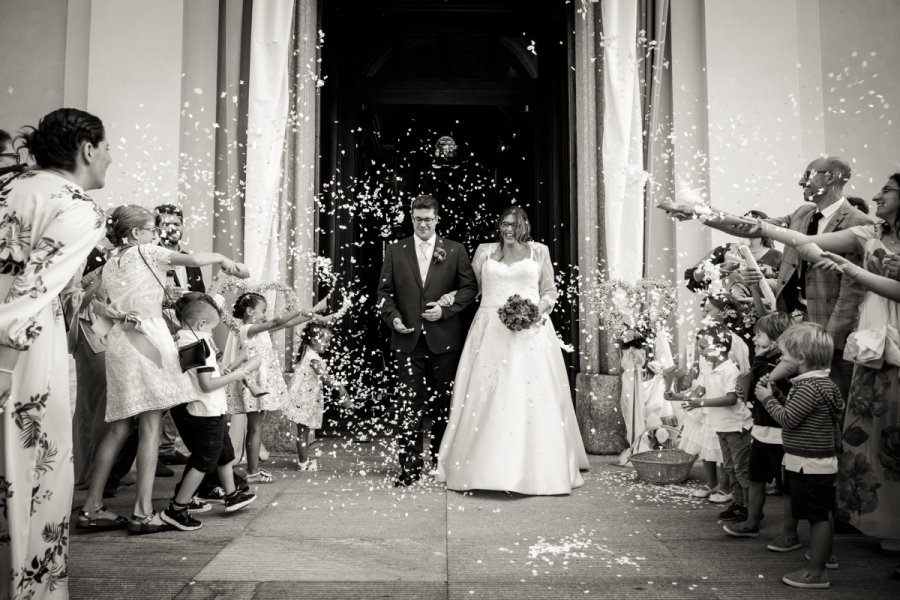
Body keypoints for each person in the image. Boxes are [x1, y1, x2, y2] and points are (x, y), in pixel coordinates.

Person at [77, 205, 248, 535]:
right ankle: (142, 513)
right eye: (152, 229)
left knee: (119, 428)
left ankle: (91, 508)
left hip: (120, 342)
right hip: (148, 341)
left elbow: (86, 298)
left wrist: (115, 309)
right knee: (151, 427)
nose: (158, 235)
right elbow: (195, 260)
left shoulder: (110, 262)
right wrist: (223, 259)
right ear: (136, 234)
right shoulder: (147, 251)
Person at [0, 108, 109, 598]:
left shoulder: (8, 187)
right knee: (37, 467)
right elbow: (32, 290)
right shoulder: (79, 205)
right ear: (87, 150)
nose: (109, 158)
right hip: (23, 346)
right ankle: (34, 590)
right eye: (106, 148)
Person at [672, 156, 876, 400]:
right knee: (794, 404)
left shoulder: (859, 223)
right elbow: (753, 226)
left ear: (830, 177)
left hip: (828, 335)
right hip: (790, 328)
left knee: (832, 405)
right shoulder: (803, 213)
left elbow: (851, 295)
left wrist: (826, 345)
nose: (801, 181)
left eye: (808, 175)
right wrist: (702, 213)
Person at [782, 172, 900, 575]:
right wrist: (714, 217)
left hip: (885, 337)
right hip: (874, 347)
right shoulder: (870, 232)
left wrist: (850, 272)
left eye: (887, 189)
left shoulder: (856, 222)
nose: (877, 194)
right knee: (869, 439)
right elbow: (802, 243)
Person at [435, 206, 589, 495]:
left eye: (513, 224)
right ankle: (483, 464)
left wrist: (535, 310)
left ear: (523, 227)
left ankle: (535, 466)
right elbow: (472, 289)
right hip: (490, 331)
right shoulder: (484, 252)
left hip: (530, 333)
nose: (507, 229)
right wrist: (449, 297)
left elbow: (550, 291)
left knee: (530, 393)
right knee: (488, 392)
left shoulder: (539, 252)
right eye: (504, 223)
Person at [377, 194, 478, 487]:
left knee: (442, 404)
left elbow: (469, 289)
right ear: (411, 218)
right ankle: (408, 468)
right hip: (406, 340)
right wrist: (392, 317)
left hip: (443, 340)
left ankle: (439, 464)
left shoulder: (455, 250)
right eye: (418, 218)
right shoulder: (395, 250)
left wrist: (445, 310)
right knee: (409, 406)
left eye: (428, 219)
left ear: (437, 219)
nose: (423, 224)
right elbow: (383, 294)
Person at [755, 322, 844, 589]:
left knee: (816, 516)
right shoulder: (824, 384)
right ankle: (825, 555)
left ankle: (815, 573)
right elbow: (803, 414)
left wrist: (767, 399)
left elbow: (789, 420)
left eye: (784, 355)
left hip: (808, 463)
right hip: (821, 462)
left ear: (802, 358)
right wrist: (779, 394)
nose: (781, 359)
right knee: (823, 511)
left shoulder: (807, 388)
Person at [162, 293, 259, 531]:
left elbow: (200, 377)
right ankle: (177, 508)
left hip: (205, 410)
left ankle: (232, 494)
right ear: (202, 325)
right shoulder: (199, 343)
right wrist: (236, 375)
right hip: (204, 411)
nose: (213, 334)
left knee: (222, 452)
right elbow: (205, 385)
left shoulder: (183, 340)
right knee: (204, 461)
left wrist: (221, 371)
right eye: (213, 328)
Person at [724, 312, 797, 544]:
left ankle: (790, 532)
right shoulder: (764, 360)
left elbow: (769, 387)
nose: (754, 339)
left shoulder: (785, 365)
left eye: (759, 335)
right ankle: (752, 522)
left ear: (777, 339)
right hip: (761, 433)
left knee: (786, 488)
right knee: (756, 479)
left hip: (780, 436)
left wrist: (759, 364)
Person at [224, 292, 312, 483]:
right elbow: (275, 322)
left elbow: (284, 324)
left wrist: (307, 315)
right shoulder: (247, 328)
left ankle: (253, 468)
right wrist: (299, 309)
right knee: (255, 427)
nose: (265, 314)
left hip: (262, 380)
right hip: (255, 381)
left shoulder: (258, 329)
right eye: (262, 310)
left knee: (257, 426)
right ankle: (252, 471)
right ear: (249, 311)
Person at [155, 204, 201, 468]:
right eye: (166, 224)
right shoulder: (154, 258)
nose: (173, 229)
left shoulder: (190, 260)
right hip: (160, 330)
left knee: (183, 389)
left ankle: (167, 446)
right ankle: (149, 451)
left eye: (177, 224)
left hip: (185, 331)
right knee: (160, 394)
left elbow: (201, 295)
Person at [284, 322, 355, 472]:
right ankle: (303, 462)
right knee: (302, 432)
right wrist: (339, 386)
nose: (329, 344)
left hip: (304, 397)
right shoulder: (313, 357)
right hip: (304, 399)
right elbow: (322, 376)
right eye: (327, 340)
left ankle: (303, 459)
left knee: (303, 430)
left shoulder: (307, 352)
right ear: (315, 340)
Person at [684, 210, 783, 302]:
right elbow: (691, 279)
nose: (747, 228)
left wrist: (769, 276)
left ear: (764, 229)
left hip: (764, 311)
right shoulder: (725, 250)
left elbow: (787, 287)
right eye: (744, 223)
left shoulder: (777, 256)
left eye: (753, 224)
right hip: (729, 311)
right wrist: (714, 271)